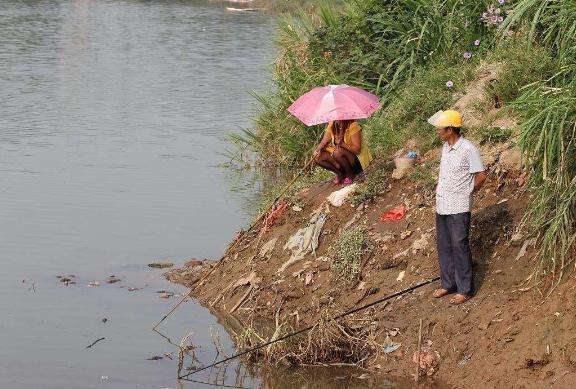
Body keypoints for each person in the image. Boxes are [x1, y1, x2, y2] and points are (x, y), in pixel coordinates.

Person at [428, 110, 487, 305]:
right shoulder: (446, 148)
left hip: (459, 205)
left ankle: (465, 289)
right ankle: (448, 283)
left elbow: (481, 176)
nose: (438, 133)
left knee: (459, 246)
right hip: (443, 204)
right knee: (444, 245)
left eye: (441, 130)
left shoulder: (468, 149)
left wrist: (468, 192)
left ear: (450, 130)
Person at [313, 120, 372, 185]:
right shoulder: (332, 125)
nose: (336, 118)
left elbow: (357, 150)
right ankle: (340, 174)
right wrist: (318, 150)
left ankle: (350, 175)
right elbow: (323, 142)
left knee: (338, 152)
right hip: (340, 159)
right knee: (318, 157)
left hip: (357, 161)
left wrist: (343, 144)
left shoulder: (353, 125)